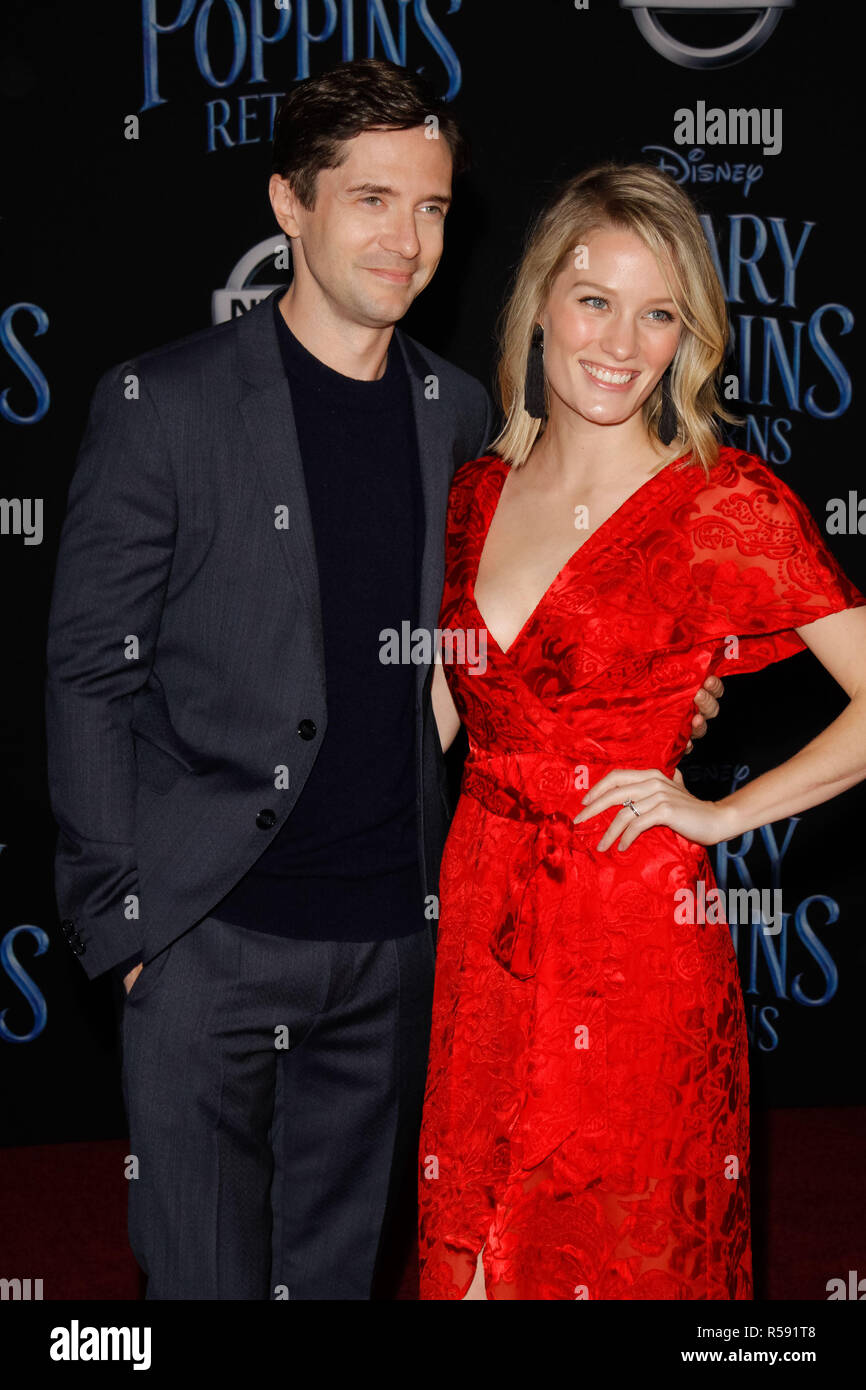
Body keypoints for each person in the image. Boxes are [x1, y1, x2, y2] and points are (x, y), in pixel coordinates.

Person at [44, 62, 723, 1301]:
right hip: (211, 937)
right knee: (198, 1282)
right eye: (369, 200)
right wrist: (127, 926)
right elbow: (88, 672)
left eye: (431, 208)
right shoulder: (166, 405)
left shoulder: (457, 413)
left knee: (339, 1279)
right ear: (288, 206)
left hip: (397, 947)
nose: (405, 240)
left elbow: (516, 633)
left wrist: (666, 679)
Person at [419, 162, 866, 1301]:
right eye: (592, 299)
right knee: (470, 1263)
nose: (621, 340)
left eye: (658, 310)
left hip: (632, 945)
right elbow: (435, 709)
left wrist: (719, 811)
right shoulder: (474, 491)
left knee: (622, 1262)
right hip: (481, 925)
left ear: (689, 335)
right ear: (536, 307)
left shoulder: (724, 503)